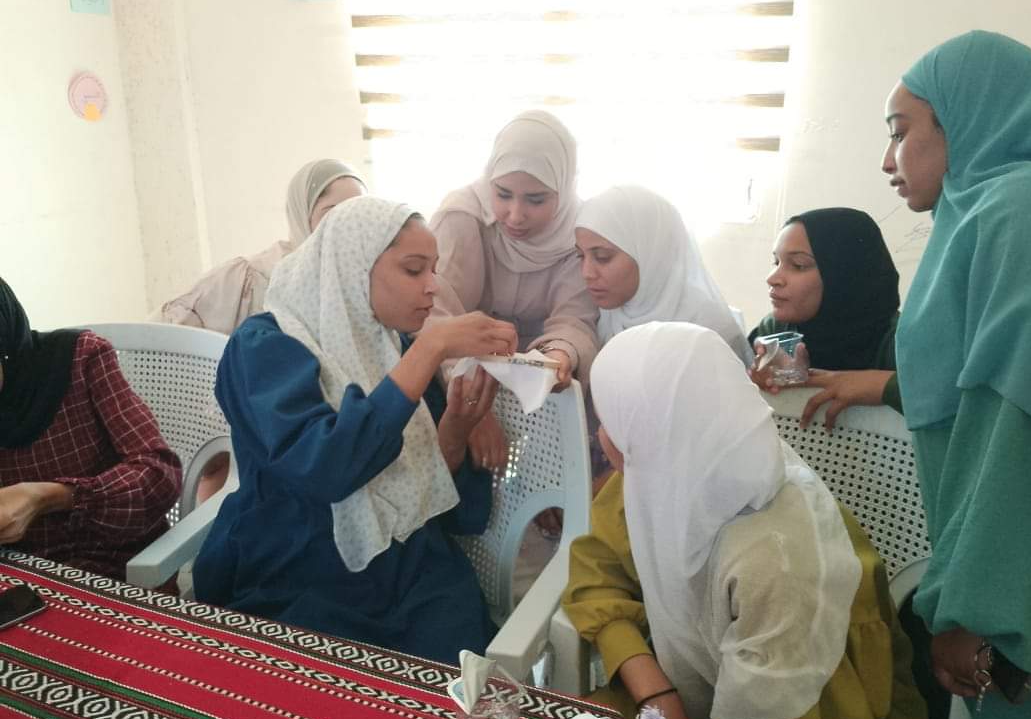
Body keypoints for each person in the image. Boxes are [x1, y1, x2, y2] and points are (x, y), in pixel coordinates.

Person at [192, 197, 519, 665]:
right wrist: (428, 350)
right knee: (309, 686)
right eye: (414, 270)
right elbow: (326, 469)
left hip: (406, 566)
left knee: (451, 669)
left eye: (433, 270)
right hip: (294, 564)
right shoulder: (263, 347)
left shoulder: (389, 341)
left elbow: (433, 501)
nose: (433, 286)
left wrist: (453, 430)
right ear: (353, 266)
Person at [563, 321, 926, 719]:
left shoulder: (775, 559)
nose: (602, 434)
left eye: (609, 420)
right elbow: (596, 573)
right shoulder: (668, 468)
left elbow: (779, 713)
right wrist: (652, 687)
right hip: (688, 693)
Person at [882, 30, 1031, 719]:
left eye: (901, 131)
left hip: (1013, 593)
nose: (888, 158)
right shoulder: (979, 214)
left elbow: (1014, 427)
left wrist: (975, 607)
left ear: (966, 116)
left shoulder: (1019, 211)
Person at [428, 110, 598, 470]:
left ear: (564, 188)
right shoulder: (462, 218)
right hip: (457, 375)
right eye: (503, 194)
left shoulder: (579, 231)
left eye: (536, 200)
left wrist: (560, 355)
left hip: (540, 383)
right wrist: (472, 405)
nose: (515, 215)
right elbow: (437, 316)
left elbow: (573, 319)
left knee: (550, 472)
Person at [0, 277, 181, 579]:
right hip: (18, 576)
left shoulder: (80, 360)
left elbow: (159, 476)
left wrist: (50, 497)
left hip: (111, 565)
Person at [154, 159, 366, 334]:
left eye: (357, 214)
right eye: (332, 214)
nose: (344, 226)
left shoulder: (364, 281)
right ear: (302, 214)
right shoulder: (252, 276)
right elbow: (169, 328)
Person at [748, 207, 903, 428]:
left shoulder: (901, 342)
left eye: (798, 265)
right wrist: (756, 377)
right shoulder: (777, 332)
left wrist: (882, 385)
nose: (773, 278)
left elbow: (945, 399)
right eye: (776, 262)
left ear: (845, 274)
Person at [574, 184, 751, 364]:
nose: (587, 273)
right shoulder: (601, 314)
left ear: (651, 255)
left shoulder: (710, 329)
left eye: (602, 257)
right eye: (580, 256)